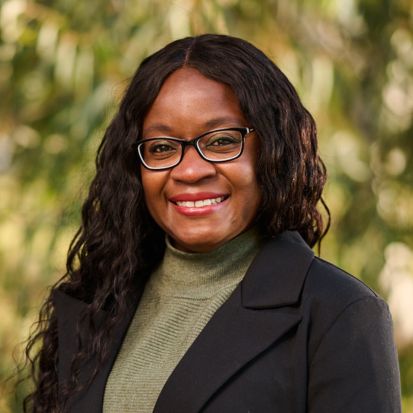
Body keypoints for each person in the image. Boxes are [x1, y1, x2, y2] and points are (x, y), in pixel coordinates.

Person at [24, 34, 401, 412]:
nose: (189, 170)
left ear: (272, 148)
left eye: (221, 141)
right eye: (162, 147)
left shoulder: (340, 313)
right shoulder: (100, 300)